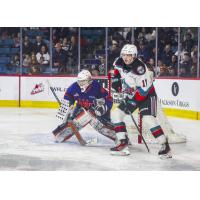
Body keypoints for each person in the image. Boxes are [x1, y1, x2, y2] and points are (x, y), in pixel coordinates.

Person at [110, 44, 172, 158]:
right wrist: (116, 81)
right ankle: (123, 143)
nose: (125, 57)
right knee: (116, 114)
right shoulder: (119, 62)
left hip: (148, 95)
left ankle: (165, 145)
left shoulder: (140, 68)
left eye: (128, 55)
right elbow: (116, 72)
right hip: (133, 94)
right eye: (124, 55)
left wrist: (133, 102)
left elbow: (144, 90)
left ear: (134, 56)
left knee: (148, 119)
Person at [52, 70, 116, 144]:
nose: (80, 84)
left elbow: (108, 99)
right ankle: (60, 134)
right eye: (79, 81)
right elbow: (68, 95)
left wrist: (104, 108)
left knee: (103, 126)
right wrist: (68, 106)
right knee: (73, 122)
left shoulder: (96, 86)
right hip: (81, 107)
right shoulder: (74, 87)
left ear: (89, 80)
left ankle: (120, 136)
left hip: (96, 109)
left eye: (83, 81)